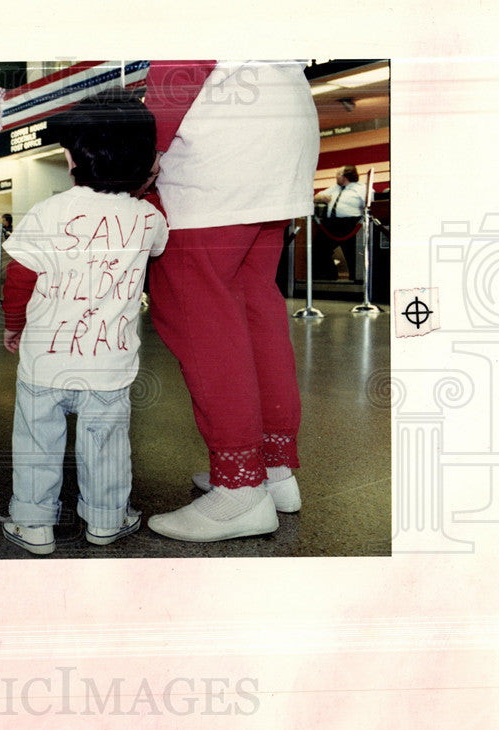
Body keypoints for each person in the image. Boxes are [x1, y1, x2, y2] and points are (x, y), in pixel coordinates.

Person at [142, 60, 319, 542]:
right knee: (255, 303)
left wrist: (150, 144)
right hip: (283, 124)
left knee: (198, 310)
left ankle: (239, 488)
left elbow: (183, 54)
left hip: (221, 148)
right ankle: (272, 470)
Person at [0, 88, 168, 555]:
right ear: (146, 161)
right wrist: (145, 185)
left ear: (72, 160)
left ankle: (33, 524)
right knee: (108, 447)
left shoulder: (46, 212)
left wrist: (14, 324)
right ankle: (106, 520)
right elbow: (157, 243)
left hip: (45, 364)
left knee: (37, 444)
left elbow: (19, 278)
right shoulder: (147, 218)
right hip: (108, 367)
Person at [313, 164, 367, 280]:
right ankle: (328, 277)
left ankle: (356, 280)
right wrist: (321, 198)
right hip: (331, 223)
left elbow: (370, 202)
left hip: (351, 223)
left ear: (346, 176)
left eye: (338, 174)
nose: (336, 177)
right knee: (319, 248)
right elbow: (315, 197)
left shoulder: (361, 188)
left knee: (352, 254)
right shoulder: (335, 188)